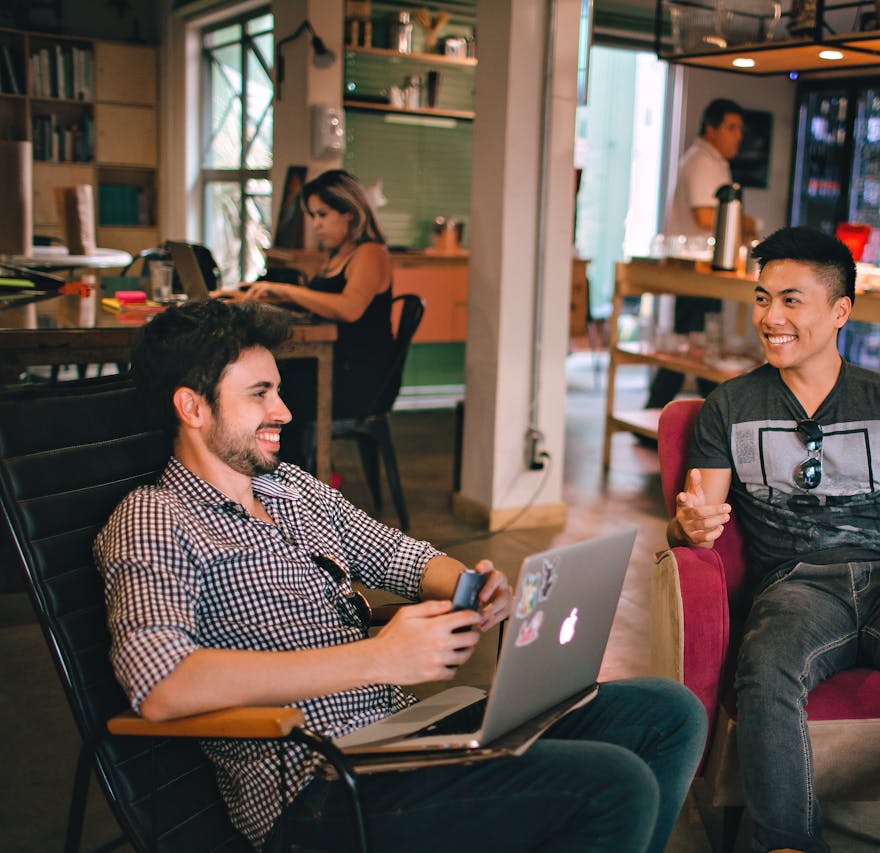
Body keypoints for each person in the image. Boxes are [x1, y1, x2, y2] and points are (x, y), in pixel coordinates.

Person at [94, 298, 707, 852]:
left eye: (277, 389)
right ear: (191, 406)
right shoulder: (154, 518)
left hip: (403, 739)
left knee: (668, 712)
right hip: (317, 789)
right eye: (259, 393)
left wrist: (471, 587)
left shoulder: (291, 490)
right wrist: (380, 659)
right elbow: (161, 684)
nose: (283, 409)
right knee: (612, 786)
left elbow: (403, 557)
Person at [668, 227, 880, 853]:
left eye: (791, 300)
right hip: (795, 585)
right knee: (766, 667)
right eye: (762, 298)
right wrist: (688, 526)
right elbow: (698, 514)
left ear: (840, 311)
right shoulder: (730, 405)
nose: (771, 318)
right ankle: (788, 845)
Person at [235, 169, 395, 467]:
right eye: (313, 216)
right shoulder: (338, 255)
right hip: (334, 364)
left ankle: (289, 481)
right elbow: (322, 303)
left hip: (356, 378)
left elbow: (349, 308)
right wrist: (263, 294)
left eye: (323, 214)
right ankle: (275, 477)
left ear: (348, 212)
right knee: (267, 383)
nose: (316, 224)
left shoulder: (371, 253)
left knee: (273, 392)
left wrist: (284, 290)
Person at [644, 98, 758, 413]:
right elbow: (706, 217)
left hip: (705, 269)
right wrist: (747, 222)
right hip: (696, 269)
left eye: (740, 129)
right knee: (693, 345)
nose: (738, 136)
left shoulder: (712, 161)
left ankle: (698, 413)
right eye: (731, 128)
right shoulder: (702, 161)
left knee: (696, 344)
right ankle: (674, 413)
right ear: (711, 128)